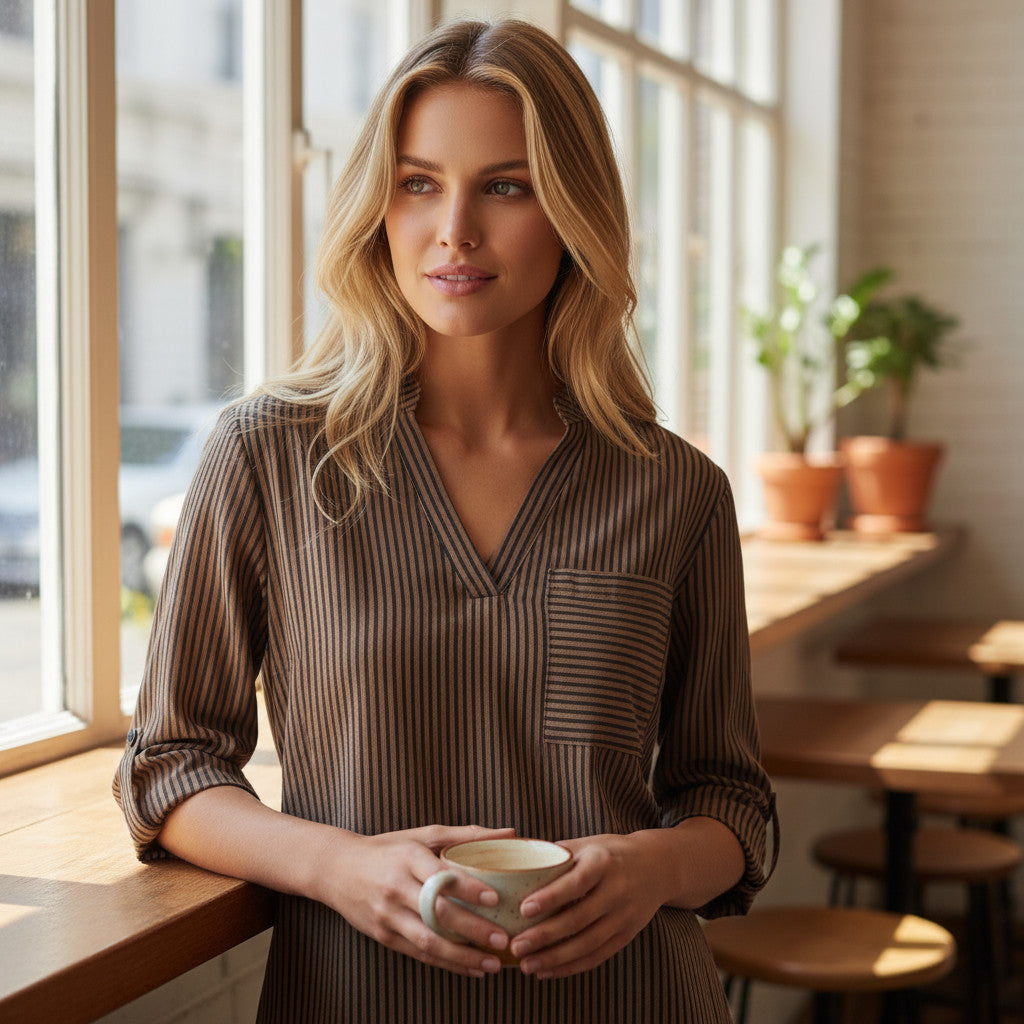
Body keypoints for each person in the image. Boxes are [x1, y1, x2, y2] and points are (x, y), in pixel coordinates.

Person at [115, 17, 777, 1023]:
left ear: (573, 210)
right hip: (357, 997)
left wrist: (651, 868)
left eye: (506, 186)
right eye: (418, 183)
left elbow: (730, 800)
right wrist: (335, 866)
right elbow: (169, 763)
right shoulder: (269, 457)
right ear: (378, 206)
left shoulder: (675, 490)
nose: (454, 229)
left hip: (629, 997)